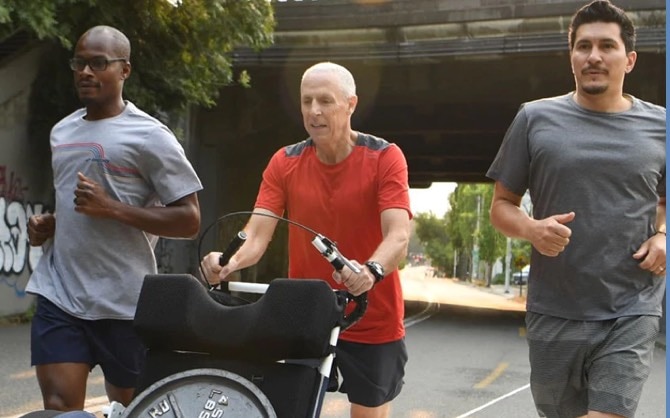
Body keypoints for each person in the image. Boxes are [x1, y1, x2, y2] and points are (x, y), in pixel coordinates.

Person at [201, 61, 411, 418]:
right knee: (292, 408)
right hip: (306, 313)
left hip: (372, 314)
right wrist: (229, 262)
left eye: (325, 101)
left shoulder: (384, 157)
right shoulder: (284, 162)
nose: (314, 111)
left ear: (351, 104)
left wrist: (371, 270)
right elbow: (256, 232)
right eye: (306, 101)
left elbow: (398, 233)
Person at [486, 1, 665, 417]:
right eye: (583, 46)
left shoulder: (661, 126)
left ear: (630, 59)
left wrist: (663, 234)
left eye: (607, 46)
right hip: (556, 308)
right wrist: (531, 229)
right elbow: (501, 207)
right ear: (572, 58)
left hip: (631, 305)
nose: (594, 56)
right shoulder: (535, 118)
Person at [26, 25, 203, 411]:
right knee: (59, 407)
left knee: (134, 407)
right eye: (79, 63)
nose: (85, 72)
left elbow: (189, 220)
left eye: (98, 63)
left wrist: (112, 209)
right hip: (62, 294)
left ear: (124, 70)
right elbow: (77, 208)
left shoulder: (151, 136)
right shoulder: (62, 132)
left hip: (125, 302)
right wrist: (53, 224)